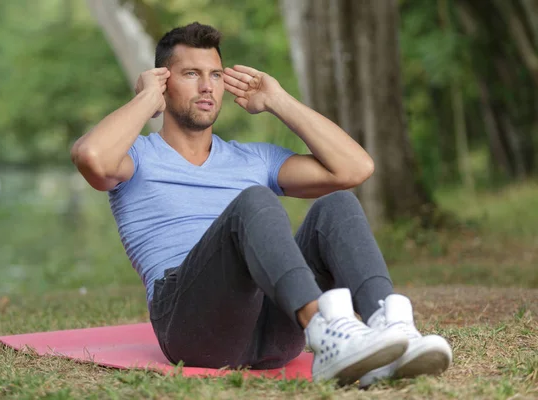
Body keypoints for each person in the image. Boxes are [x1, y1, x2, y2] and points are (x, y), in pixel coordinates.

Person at [71, 22, 452, 386]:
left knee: (337, 205)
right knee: (253, 201)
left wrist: (278, 100)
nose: (207, 87)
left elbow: (355, 168)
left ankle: (390, 328)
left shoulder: (253, 159)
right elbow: (91, 157)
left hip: (274, 332)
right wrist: (144, 100)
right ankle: (326, 328)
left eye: (216, 75)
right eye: (190, 74)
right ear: (163, 82)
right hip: (191, 327)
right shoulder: (136, 156)